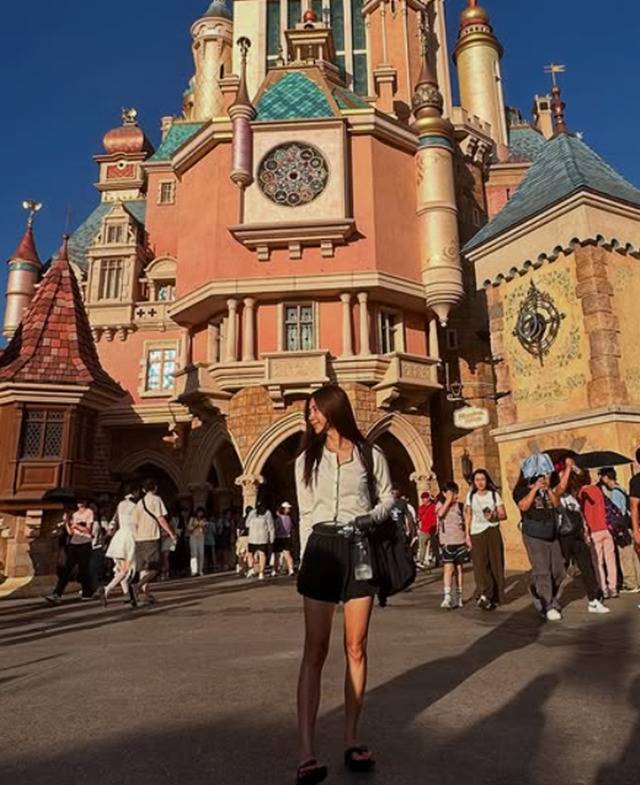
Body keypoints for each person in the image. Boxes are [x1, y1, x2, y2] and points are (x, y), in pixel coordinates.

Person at [295, 384, 394, 784]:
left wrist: (370, 518)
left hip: (358, 548)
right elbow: (305, 514)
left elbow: (387, 498)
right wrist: (304, 560)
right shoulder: (305, 459)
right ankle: (306, 750)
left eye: (316, 410)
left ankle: (351, 738)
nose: (311, 417)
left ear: (334, 410)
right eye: (310, 411)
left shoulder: (370, 454)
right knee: (315, 649)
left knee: (356, 646)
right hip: (321, 548)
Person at [514, 461, 572, 622]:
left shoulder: (546, 489)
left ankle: (536, 588)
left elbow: (556, 504)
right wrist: (534, 489)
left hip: (551, 533)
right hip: (533, 534)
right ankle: (549, 605)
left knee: (559, 569)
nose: (541, 477)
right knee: (543, 570)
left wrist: (548, 490)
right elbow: (523, 506)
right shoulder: (521, 490)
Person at [550, 469, 609, 614]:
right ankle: (549, 600)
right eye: (562, 477)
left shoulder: (572, 495)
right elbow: (559, 492)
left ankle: (594, 600)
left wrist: (585, 529)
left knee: (587, 566)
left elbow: (579, 513)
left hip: (577, 535)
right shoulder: (554, 492)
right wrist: (568, 468)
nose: (566, 479)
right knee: (560, 570)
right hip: (563, 537)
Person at [464, 469, 507, 611]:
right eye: (477, 480)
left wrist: (495, 515)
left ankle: (494, 596)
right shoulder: (471, 496)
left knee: (496, 563)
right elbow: (468, 515)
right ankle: (484, 593)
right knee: (480, 565)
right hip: (477, 532)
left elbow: (503, 514)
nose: (480, 482)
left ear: (487, 480)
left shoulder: (494, 495)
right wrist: (467, 534)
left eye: (482, 479)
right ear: (473, 482)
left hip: (492, 530)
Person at [45, 498, 95, 604]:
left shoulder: (89, 512)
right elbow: (71, 533)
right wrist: (67, 523)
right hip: (74, 543)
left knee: (84, 569)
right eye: (78, 502)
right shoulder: (75, 515)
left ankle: (87, 592)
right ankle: (57, 593)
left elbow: (88, 530)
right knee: (67, 569)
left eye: (81, 502)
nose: (80, 504)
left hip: (85, 543)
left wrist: (76, 525)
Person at [135, 479, 176, 604]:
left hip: (139, 538)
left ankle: (145, 594)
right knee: (156, 568)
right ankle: (137, 587)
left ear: (143, 489)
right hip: (151, 537)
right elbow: (161, 518)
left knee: (144, 568)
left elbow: (135, 522)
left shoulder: (139, 503)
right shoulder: (156, 499)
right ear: (155, 488)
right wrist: (171, 533)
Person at [579, 471, 618, 598]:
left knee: (598, 562)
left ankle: (603, 588)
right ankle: (613, 587)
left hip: (593, 530)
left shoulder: (581, 493)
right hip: (606, 528)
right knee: (610, 560)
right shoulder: (598, 490)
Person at [600, 467, 640, 592]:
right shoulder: (621, 489)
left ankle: (631, 583)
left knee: (626, 556)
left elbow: (617, 512)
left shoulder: (615, 493)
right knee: (633, 555)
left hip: (622, 528)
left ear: (606, 477)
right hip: (629, 526)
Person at [103, 488, 139, 607]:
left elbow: (115, 521)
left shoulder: (120, 504)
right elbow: (135, 524)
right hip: (129, 537)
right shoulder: (135, 506)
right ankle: (107, 589)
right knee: (125, 569)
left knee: (120, 569)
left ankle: (127, 595)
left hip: (119, 536)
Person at [436, 482, 467, 609]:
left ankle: (459, 596)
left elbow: (466, 521)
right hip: (447, 542)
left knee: (459, 569)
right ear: (444, 493)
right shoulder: (440, 505)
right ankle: (447, 596)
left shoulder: (460, 506)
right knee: (448, 569)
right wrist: (448, 501)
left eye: (454, 492)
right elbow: (440, 514)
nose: (453, 495)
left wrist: (467, 537)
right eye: (449, 492)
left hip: (460, 540)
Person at [246, 502, 275, 580]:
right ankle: (259, 572)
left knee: (253, 554)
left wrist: (271, 538)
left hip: (256, 537)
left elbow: (247, 524)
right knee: (258, 554)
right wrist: (271, 538)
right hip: (260, 537)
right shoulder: (266, 513)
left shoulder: (255, 513)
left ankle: (255, 570)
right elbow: (271, 527)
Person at [417, 491, 437, 570]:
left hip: (433, 528)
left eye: (424, 498)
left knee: (435, 545)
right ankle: (421, 561)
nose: (423, 500)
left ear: (428, 498)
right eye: (422, 498)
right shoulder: (421, 508)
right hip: (424, 529)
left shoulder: (434, 506)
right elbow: (419, 518)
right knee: (422, 546)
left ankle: (437, 559)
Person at [273, 502, 295, 577]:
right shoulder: (289, 518)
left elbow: (276, 528)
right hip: (287, 537)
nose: (289, 510)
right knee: (287, 554)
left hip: (279, 538)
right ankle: (291, 569)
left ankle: (275, 570)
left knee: (277, 555)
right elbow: (291, 527)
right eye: (287, 508)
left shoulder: (278, 519)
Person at [187, 507, 208, 577]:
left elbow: (205, 531)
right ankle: (194, 571)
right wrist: (196, 525)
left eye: (201, 512)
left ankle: (200, 570)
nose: (200, 514)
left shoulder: (204, 520)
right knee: (194, 553)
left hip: (201, 537)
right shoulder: (192, 519)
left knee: (201, 553)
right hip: (193, 536)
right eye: (199, 512)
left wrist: (204, 526)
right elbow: (189, 528)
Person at [236, 506, 252, 576]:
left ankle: (242, 569)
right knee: (248, 554)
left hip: (242, 538)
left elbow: (238, 530)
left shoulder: (242, 519)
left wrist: (238, 538)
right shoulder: (251, 520)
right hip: (249, 537)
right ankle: (248, 569)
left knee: (241, 554)